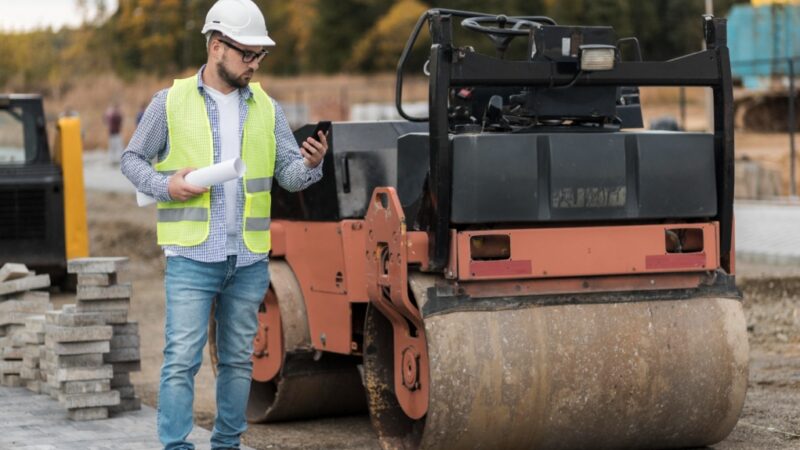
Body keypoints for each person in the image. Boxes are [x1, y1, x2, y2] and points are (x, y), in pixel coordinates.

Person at [120, 0, 328, 448]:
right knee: (181, 361)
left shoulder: (267, 108)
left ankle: (228, 445)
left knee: (237, 360)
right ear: (217, 46)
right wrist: (164, 185)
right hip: (192, 257)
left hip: (249, 258)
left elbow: (288, 177)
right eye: (247, 54)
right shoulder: (169, 102)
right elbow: (131, 159)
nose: (255, 64)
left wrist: (311, 163)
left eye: (260, 56)